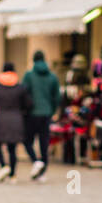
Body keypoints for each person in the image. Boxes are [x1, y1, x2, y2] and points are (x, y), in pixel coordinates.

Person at [0, 61, 31, 183]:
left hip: (1, 120)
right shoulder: (20, 88)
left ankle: (3, 166)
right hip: (16, 120)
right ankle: (13, 175)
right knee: (12, 149)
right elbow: (29, 104)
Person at [21, 51, 61, 182]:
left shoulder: (29, 75)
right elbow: (57, 97)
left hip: (32, 114)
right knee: (44, 143)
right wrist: (52, 110)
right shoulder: (53, 77)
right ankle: (42, 172)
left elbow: (23, 93)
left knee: (27, 140)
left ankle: (36, 162)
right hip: (46, 114)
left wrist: (25, 109)